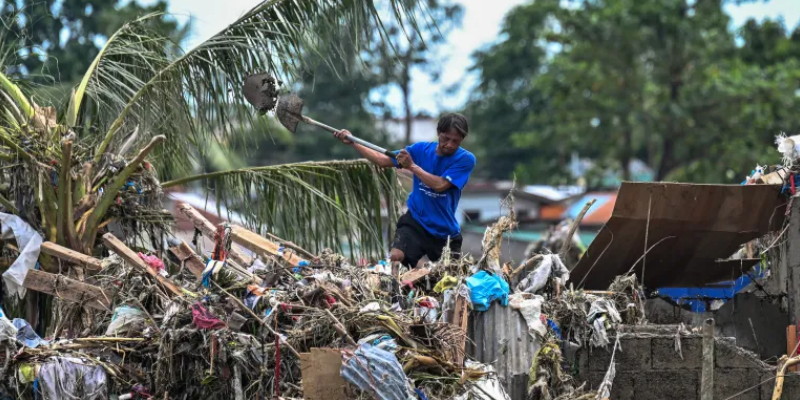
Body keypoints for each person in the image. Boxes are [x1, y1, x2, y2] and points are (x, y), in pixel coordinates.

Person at [334, 113, 476, 270]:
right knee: (395, 259)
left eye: (455, 141)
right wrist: (354, 142)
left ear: (462, 140)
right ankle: (395, 293)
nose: (449, 144)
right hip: (416, 221)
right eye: (446, 138)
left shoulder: (466, 159)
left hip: (445, 232)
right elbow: (382, 160)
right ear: (438, 133)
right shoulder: (419, 150)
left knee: (451, 280)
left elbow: (440, 185)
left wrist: (412, 166)